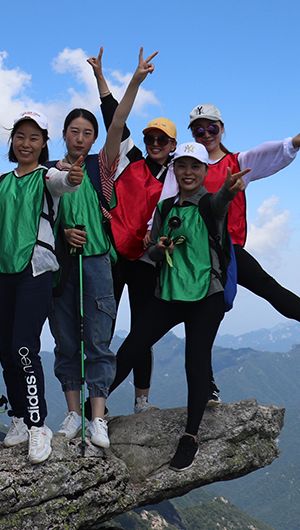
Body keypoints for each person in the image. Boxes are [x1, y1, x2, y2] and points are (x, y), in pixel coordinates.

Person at [165, 104, 300, 355]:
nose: (206, 134)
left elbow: (263, 152)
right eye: (198, 130)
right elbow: (168, 203)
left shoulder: (237, 162)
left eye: (211, 128)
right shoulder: (185, 166)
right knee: (215, 310)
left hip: (227, 248)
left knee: (257, 291)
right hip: (194, 253)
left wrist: (293, 142)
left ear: (222, 129)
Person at [110, 142, 249, 471]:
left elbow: (220, 201)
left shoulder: (209, 204)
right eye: (182, 167)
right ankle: (91, 410)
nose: (188, 173)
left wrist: (229, 190)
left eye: (195, 167)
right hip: (170, 294)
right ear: (175, 170)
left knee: (195, 364)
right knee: (130, 349)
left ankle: (190, 437)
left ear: (204, 172)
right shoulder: (166, 207)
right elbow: (155, 254)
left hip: (206, 297)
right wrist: (159, 248)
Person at [50, 48, 155, 450]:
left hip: (97, 261)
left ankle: (97, 417)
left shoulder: (103, 165)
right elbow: (41, 221)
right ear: (64, 135)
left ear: (94, 139)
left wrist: (132, 82)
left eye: (87, 133)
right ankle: (73, 412)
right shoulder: (49, 173)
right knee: (65, 340)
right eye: (74, 131)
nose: (80, 137)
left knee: (97, 338)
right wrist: (62, 237)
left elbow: (120, 121)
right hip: (62, 263)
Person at [0, 111, 83, 464]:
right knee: (5, 349)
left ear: (44, 143)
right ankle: (18, 417)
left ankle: (37, 425)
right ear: (12, 142)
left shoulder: (47, 177)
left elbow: (65, 183)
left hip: (34, 270)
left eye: (34, 138)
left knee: (23, 347)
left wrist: (73, 176)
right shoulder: (1, 180)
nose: (26, 143)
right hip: (1, 269)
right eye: (20, 136)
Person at [89, 47, 176, 412]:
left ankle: (142, 400)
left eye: (162, 140)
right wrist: (105, 79)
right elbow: (115, 118)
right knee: (103, 331)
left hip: (146, 261)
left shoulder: (178, 176)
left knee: (142, 331)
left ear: (172, 145)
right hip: (114, 255)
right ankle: (97, 403)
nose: (154, 144)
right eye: (150, 139)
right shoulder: (132, 160)